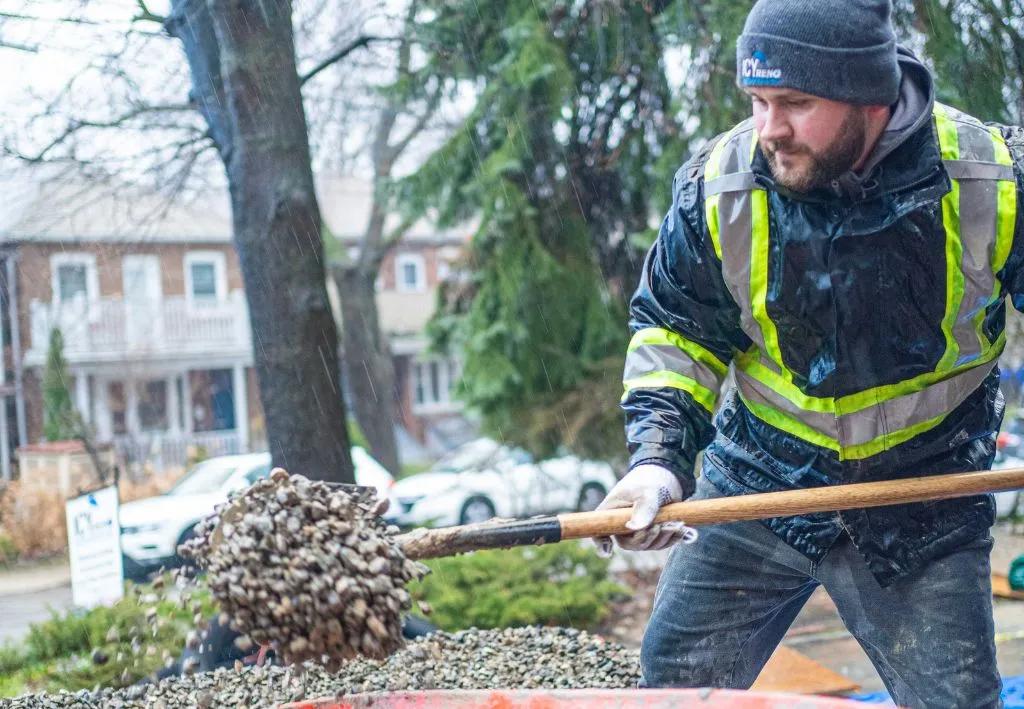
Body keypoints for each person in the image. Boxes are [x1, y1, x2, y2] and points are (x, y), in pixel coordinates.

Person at [594, 0, 1023, 706]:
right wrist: (656, 459)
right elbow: (676, 329)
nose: (769, 129)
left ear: (870, 94)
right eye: (757, 101)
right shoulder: (719, 186)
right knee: (666, 690)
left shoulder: (989, 178)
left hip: (926, 499)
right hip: (759, 483)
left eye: (794, 101)